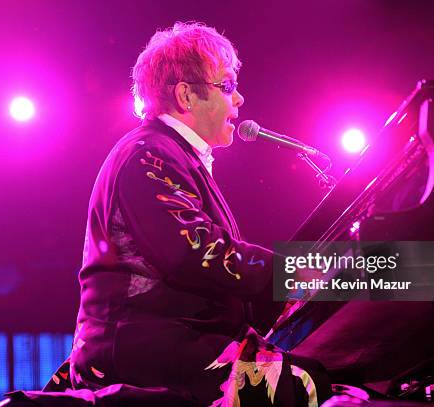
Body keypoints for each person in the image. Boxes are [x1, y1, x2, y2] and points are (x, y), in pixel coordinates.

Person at [62, 22, 329, 406]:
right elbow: (196, 253)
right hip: (147, 351)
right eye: (227, 86)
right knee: (322, 389)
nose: (239, 100)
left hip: (170, 343)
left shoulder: (170, 155)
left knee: (322, 377)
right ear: (187, 95)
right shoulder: (148, 155)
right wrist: (299, 273)